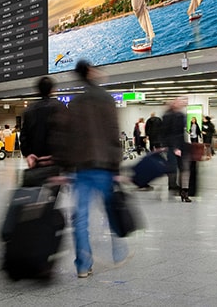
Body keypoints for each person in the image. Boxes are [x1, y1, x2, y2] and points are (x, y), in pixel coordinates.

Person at [64, 60, 128, 278]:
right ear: (90, 72)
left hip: (81, 168)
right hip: (105, 167)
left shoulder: (75, 103)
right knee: (111, 210)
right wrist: (117, 166)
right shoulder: (106, 99)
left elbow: (70, 139)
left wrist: (67, 168)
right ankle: (119, 253)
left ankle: (83, 265)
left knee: (80, 218)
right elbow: (113, 133)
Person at [20, 76, 68, 170]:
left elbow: (24, 136)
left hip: (36, 161)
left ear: (38, 90)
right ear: (52, 90)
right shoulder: (60, 107)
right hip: (56, 161)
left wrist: (28, 154)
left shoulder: (29, 110)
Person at [162, 98, 192, 202]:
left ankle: (184, 191)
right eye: (179, 102)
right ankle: (174, 186)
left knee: (184, 169)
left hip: (181, 145)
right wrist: (175, 147)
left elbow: (181, 132)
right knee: (174, 168)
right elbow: (168, 133)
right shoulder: (168, 116)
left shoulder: (181, 115)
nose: (183, 103)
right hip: (174, 146)